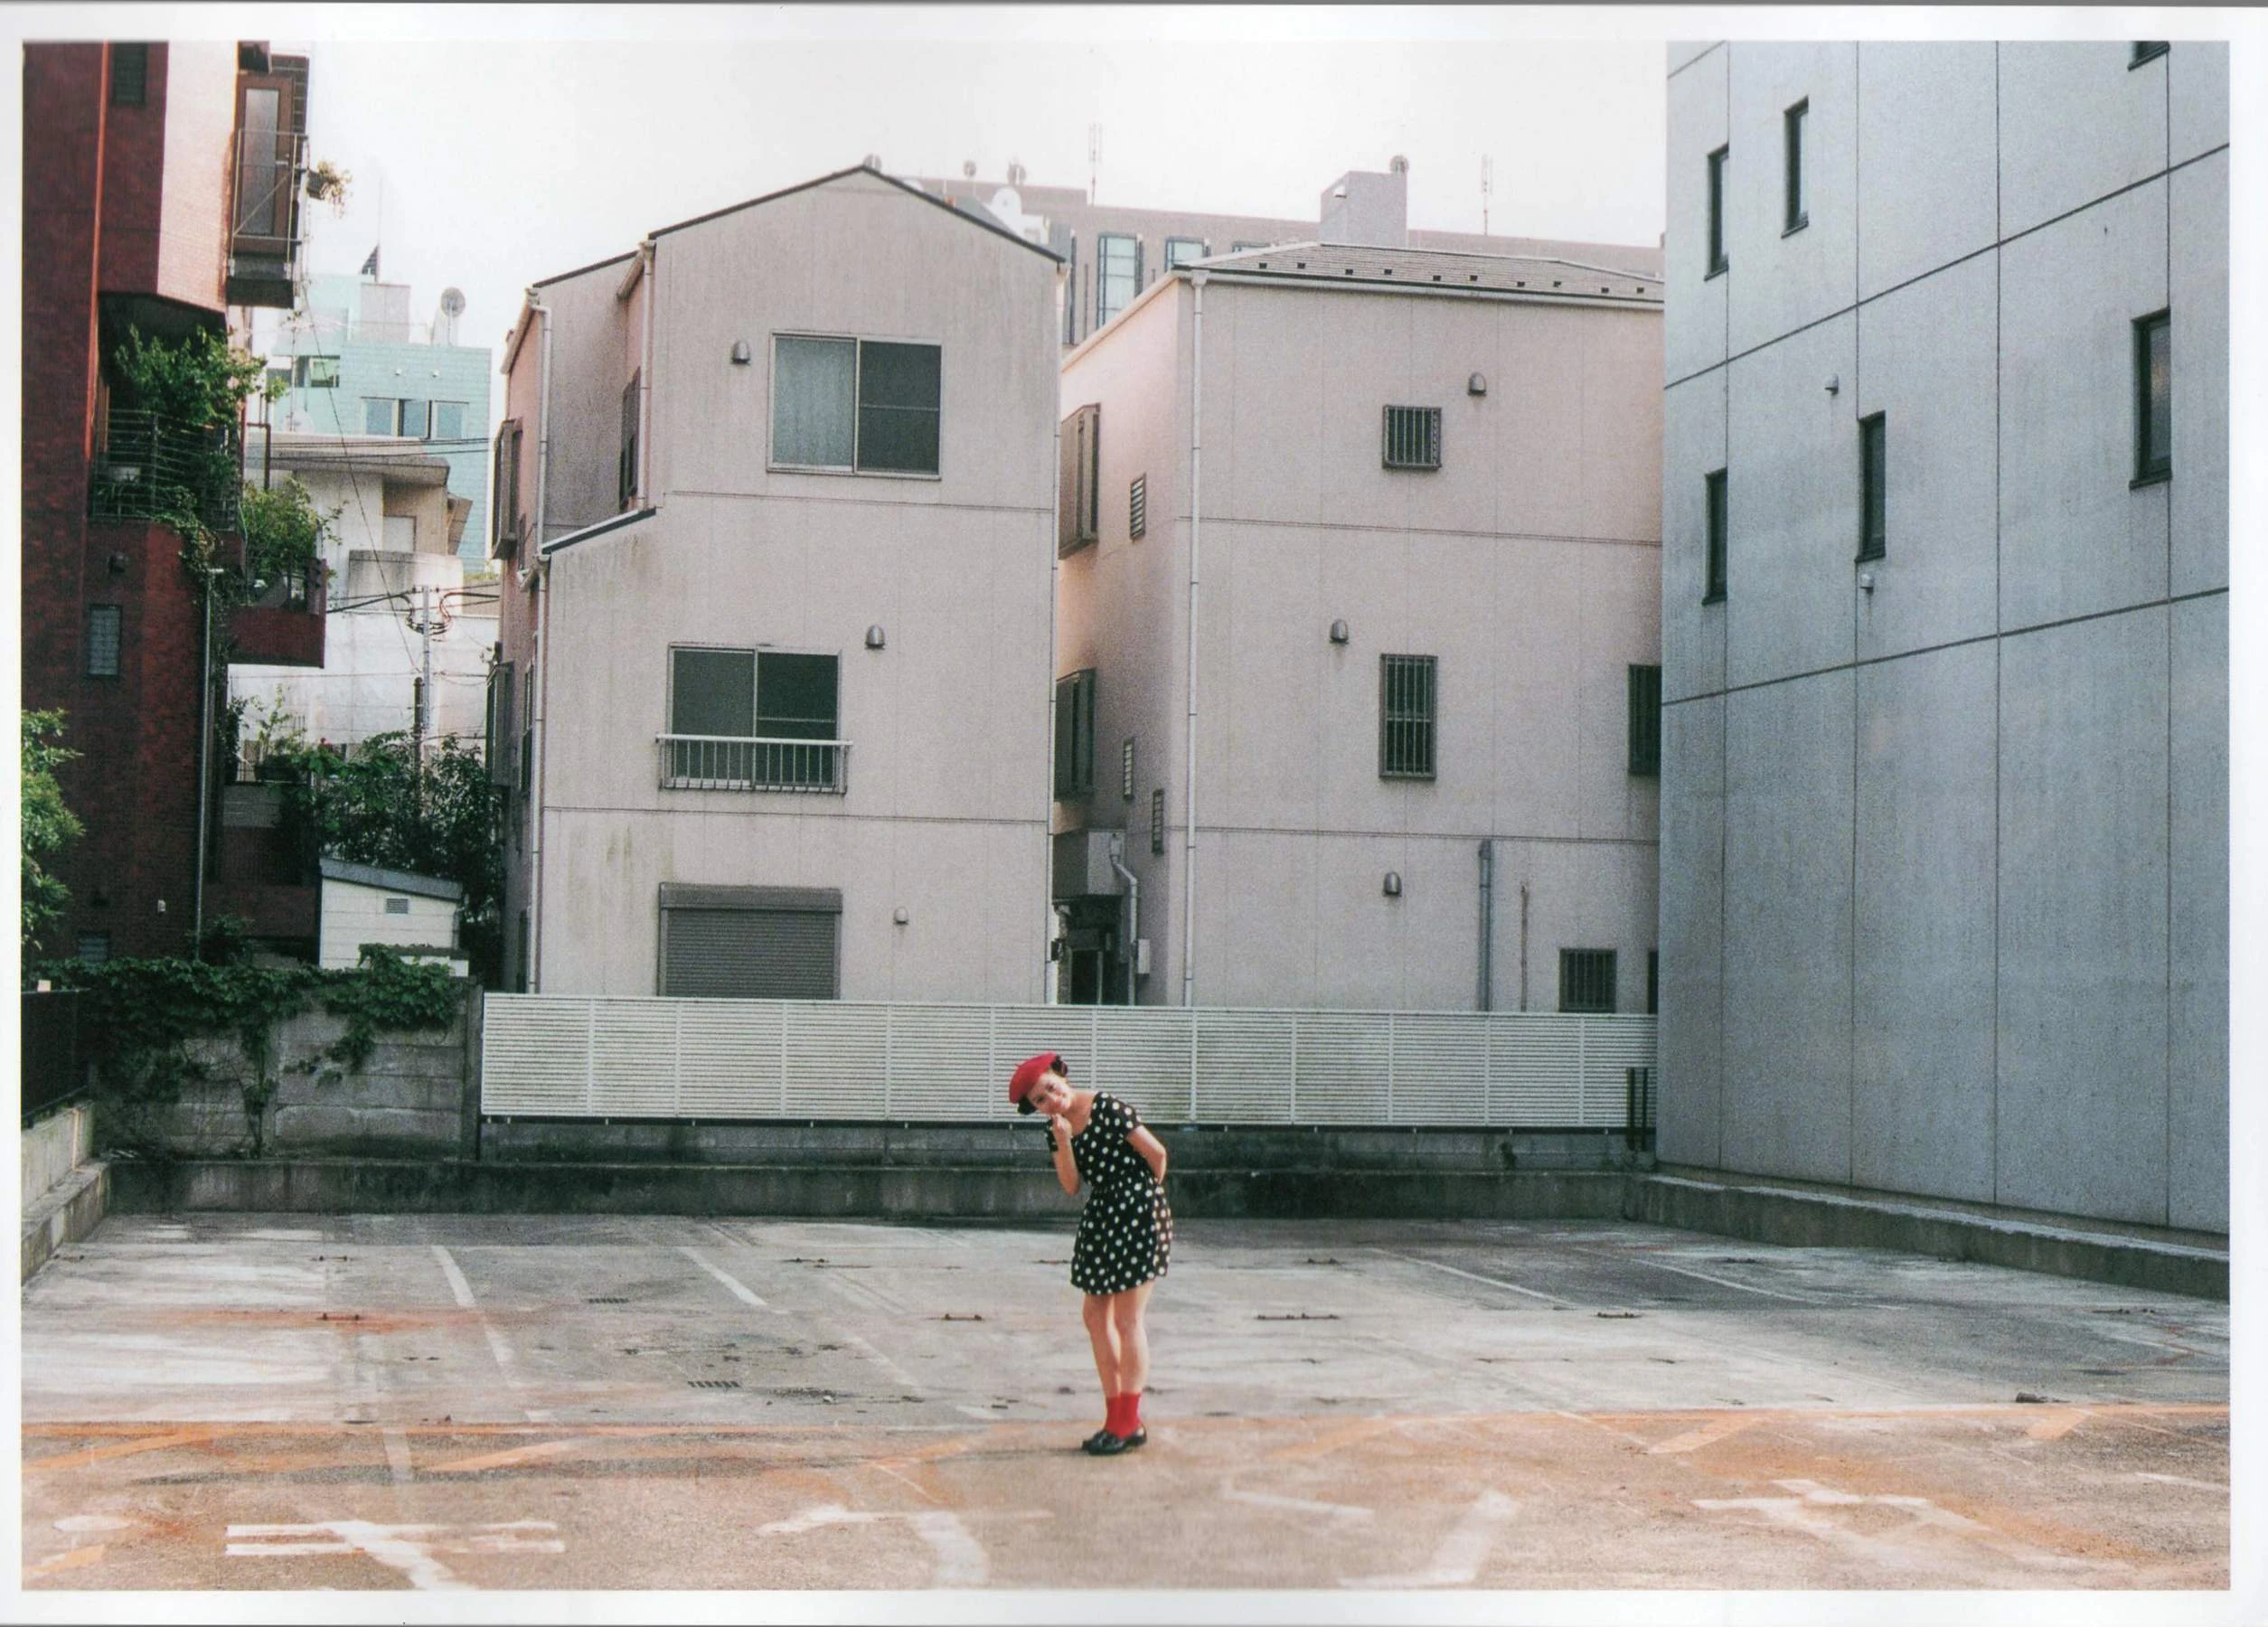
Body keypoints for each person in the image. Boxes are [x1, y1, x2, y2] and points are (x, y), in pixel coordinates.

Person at [1008, 1051, 1172, 1455]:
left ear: (1061, 1076)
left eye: (1051, 1088)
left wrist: (1143, 1200)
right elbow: (1070, 1185)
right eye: (1040, 1100)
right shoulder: (1056, 1130)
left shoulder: (1107, 1107)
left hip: (1137, 1212)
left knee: (1128, 1319)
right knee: (1095, 1316)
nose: (1051, 1100)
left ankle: (1127, 1422)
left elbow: (1157, 1154)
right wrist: (1064, 1140)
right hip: (1101, 1217)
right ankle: (1116, 1417)